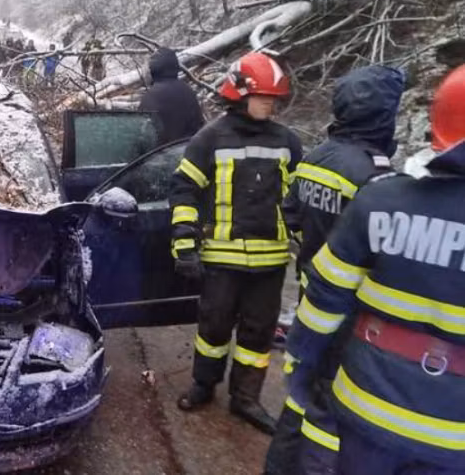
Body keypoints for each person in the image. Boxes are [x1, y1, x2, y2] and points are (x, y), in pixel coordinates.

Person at [285, 65, 465, 475]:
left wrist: (299, 361)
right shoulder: (370, 175)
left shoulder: (381, 197)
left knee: (312, 430)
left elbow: (323, 295)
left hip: (365, 404)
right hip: (454, 436)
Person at [264, 65, 405, 475]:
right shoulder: (375, 177)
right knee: (330, 411)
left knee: (299, 390)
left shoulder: (316, 157)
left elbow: (290, 213)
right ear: (382, 115)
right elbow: (385, 256)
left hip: (313, 296)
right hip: (351, 313)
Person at [171, 51, 302, 435]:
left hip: (271, 262)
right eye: (264, 96)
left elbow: (299, 201)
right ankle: (204, 384)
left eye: (274, 98)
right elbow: (184, 192)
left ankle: (246, 398)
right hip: (222, 260)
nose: (270, 104)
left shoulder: (288, 142)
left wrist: (308, 248)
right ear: (240, 93)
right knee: (213, 328)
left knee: (257, 336)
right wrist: (184, 245)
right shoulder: (209, 138)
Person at [138, 47, 205, 145]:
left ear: (153, 69)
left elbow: (143, 135)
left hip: (163, 156)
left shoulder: (151, 97)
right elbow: (199, 125)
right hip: (191, 151)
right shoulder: (188, 91)